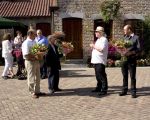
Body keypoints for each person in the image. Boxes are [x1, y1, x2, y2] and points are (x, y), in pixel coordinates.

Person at [22, 29, 45, 98]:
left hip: (36, 61)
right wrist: (35, 56)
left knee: (38, 77)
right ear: (30, 34)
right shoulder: (26, 43)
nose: (35, 35)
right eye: (34, 34)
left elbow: (36, 50)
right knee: (31, 77)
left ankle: (37, 91)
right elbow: (26, 54)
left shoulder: (34, 41)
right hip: (30, 61)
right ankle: (32, 92)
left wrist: (41, 53)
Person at [119, 25, 141, 98]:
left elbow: (139, 49)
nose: (124, 31)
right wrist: (120, 50)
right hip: (123, 60)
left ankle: (133, 92)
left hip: (131, 59)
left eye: (125, 30)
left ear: (129, 29)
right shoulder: (124, 37)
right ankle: (124, 90)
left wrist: (131, 53)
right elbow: (121, 47)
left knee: (132, 76)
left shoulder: (136, 38)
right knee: (124, 75)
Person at [90, 26, 108, 96]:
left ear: (100, 33)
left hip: (100, 61)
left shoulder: (104, 39)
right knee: (97, 75)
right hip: (96, 60)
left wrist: (93, 46)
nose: (95, 33)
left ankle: (104, 89)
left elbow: (101, 49)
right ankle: (99, 87)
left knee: (102, 75)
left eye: (96, 32)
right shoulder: (98, 40)